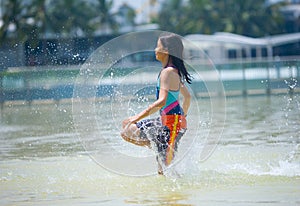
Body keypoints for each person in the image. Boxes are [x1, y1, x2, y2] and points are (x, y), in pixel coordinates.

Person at [121, 33, 192, 175]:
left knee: (165, 169)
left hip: (171, 125)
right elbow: (187, 97)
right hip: (169, 122)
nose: (155, 50)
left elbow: (162, 101)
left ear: (165, 51)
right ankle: (156, 146)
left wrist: (137, 117)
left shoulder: (168, 72)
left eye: (157, 46)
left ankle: (177, 194)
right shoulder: (172, 71)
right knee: (126, 129)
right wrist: (183, 116)